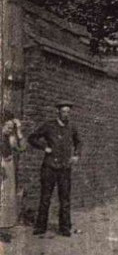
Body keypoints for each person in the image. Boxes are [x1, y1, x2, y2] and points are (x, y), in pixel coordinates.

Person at [28, 101, 81, 237]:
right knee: (45, 197)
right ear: (58, 112)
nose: (66, 114)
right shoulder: (49, 126)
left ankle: (64, 228)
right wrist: (44, 147)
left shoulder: (72, 127)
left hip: (64, 168)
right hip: (49, 167)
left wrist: (76, 155)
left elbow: (78, 142)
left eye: (68, 112)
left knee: (65, 199)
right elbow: (32, 138)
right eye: (64, 111)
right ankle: (40, 227)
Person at [0, 111, 26, 242]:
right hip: (2, 166)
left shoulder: (10, 138)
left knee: (7, 197)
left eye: (12, 128)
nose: (10, 130)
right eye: (7, 127)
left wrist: (19, 131)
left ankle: (2, 228)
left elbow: (22, 148)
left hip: (8, 167)